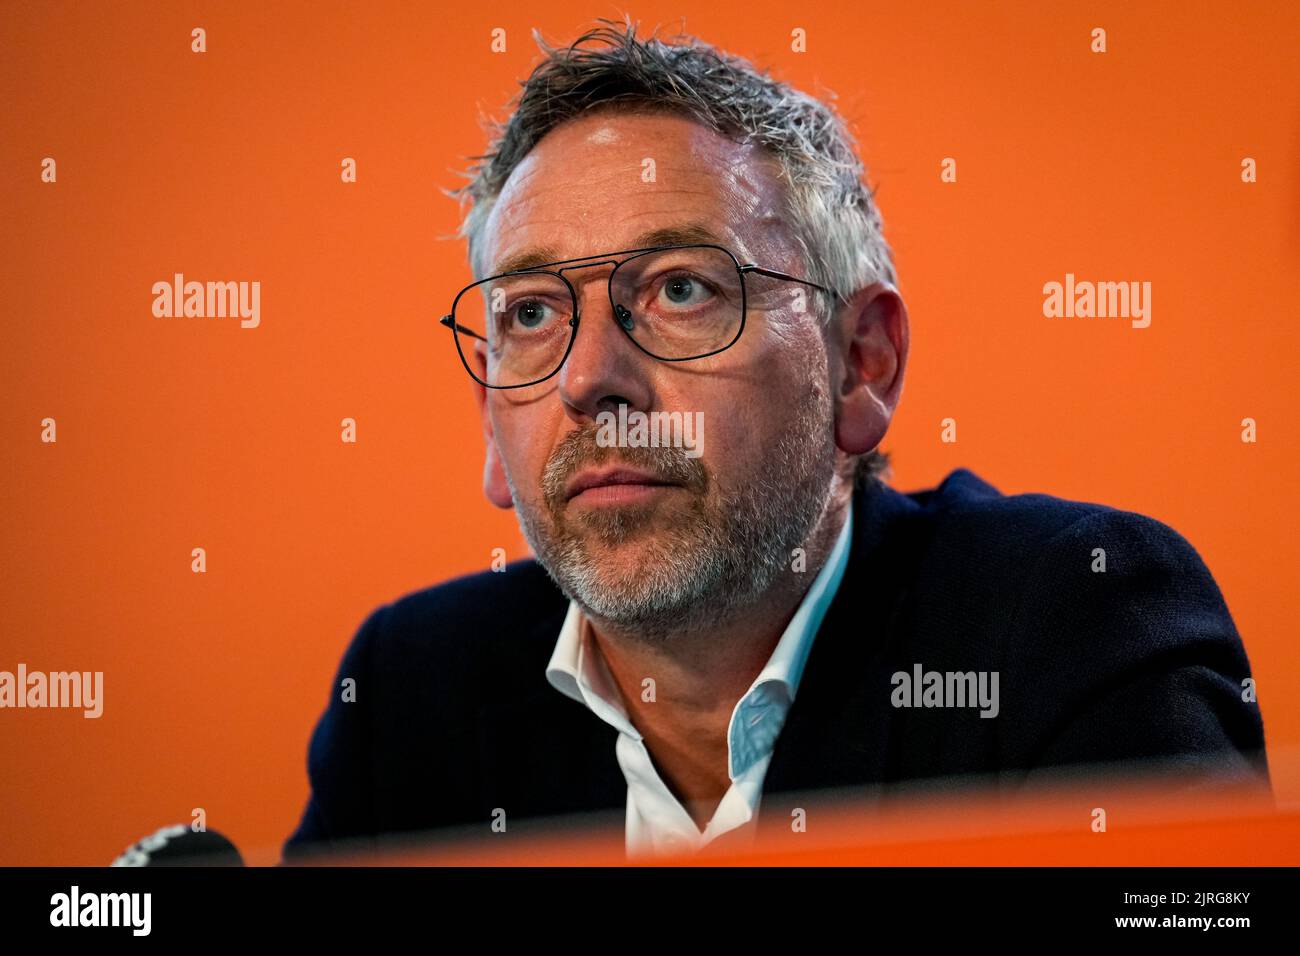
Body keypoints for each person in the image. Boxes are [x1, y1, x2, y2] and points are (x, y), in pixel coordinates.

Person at [282, 19, 1268, 861]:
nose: (588, 380)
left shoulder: (1070, 626)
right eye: (533, 313)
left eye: (679, 289)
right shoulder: (414, 695)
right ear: (492, 424)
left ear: (860, 362)